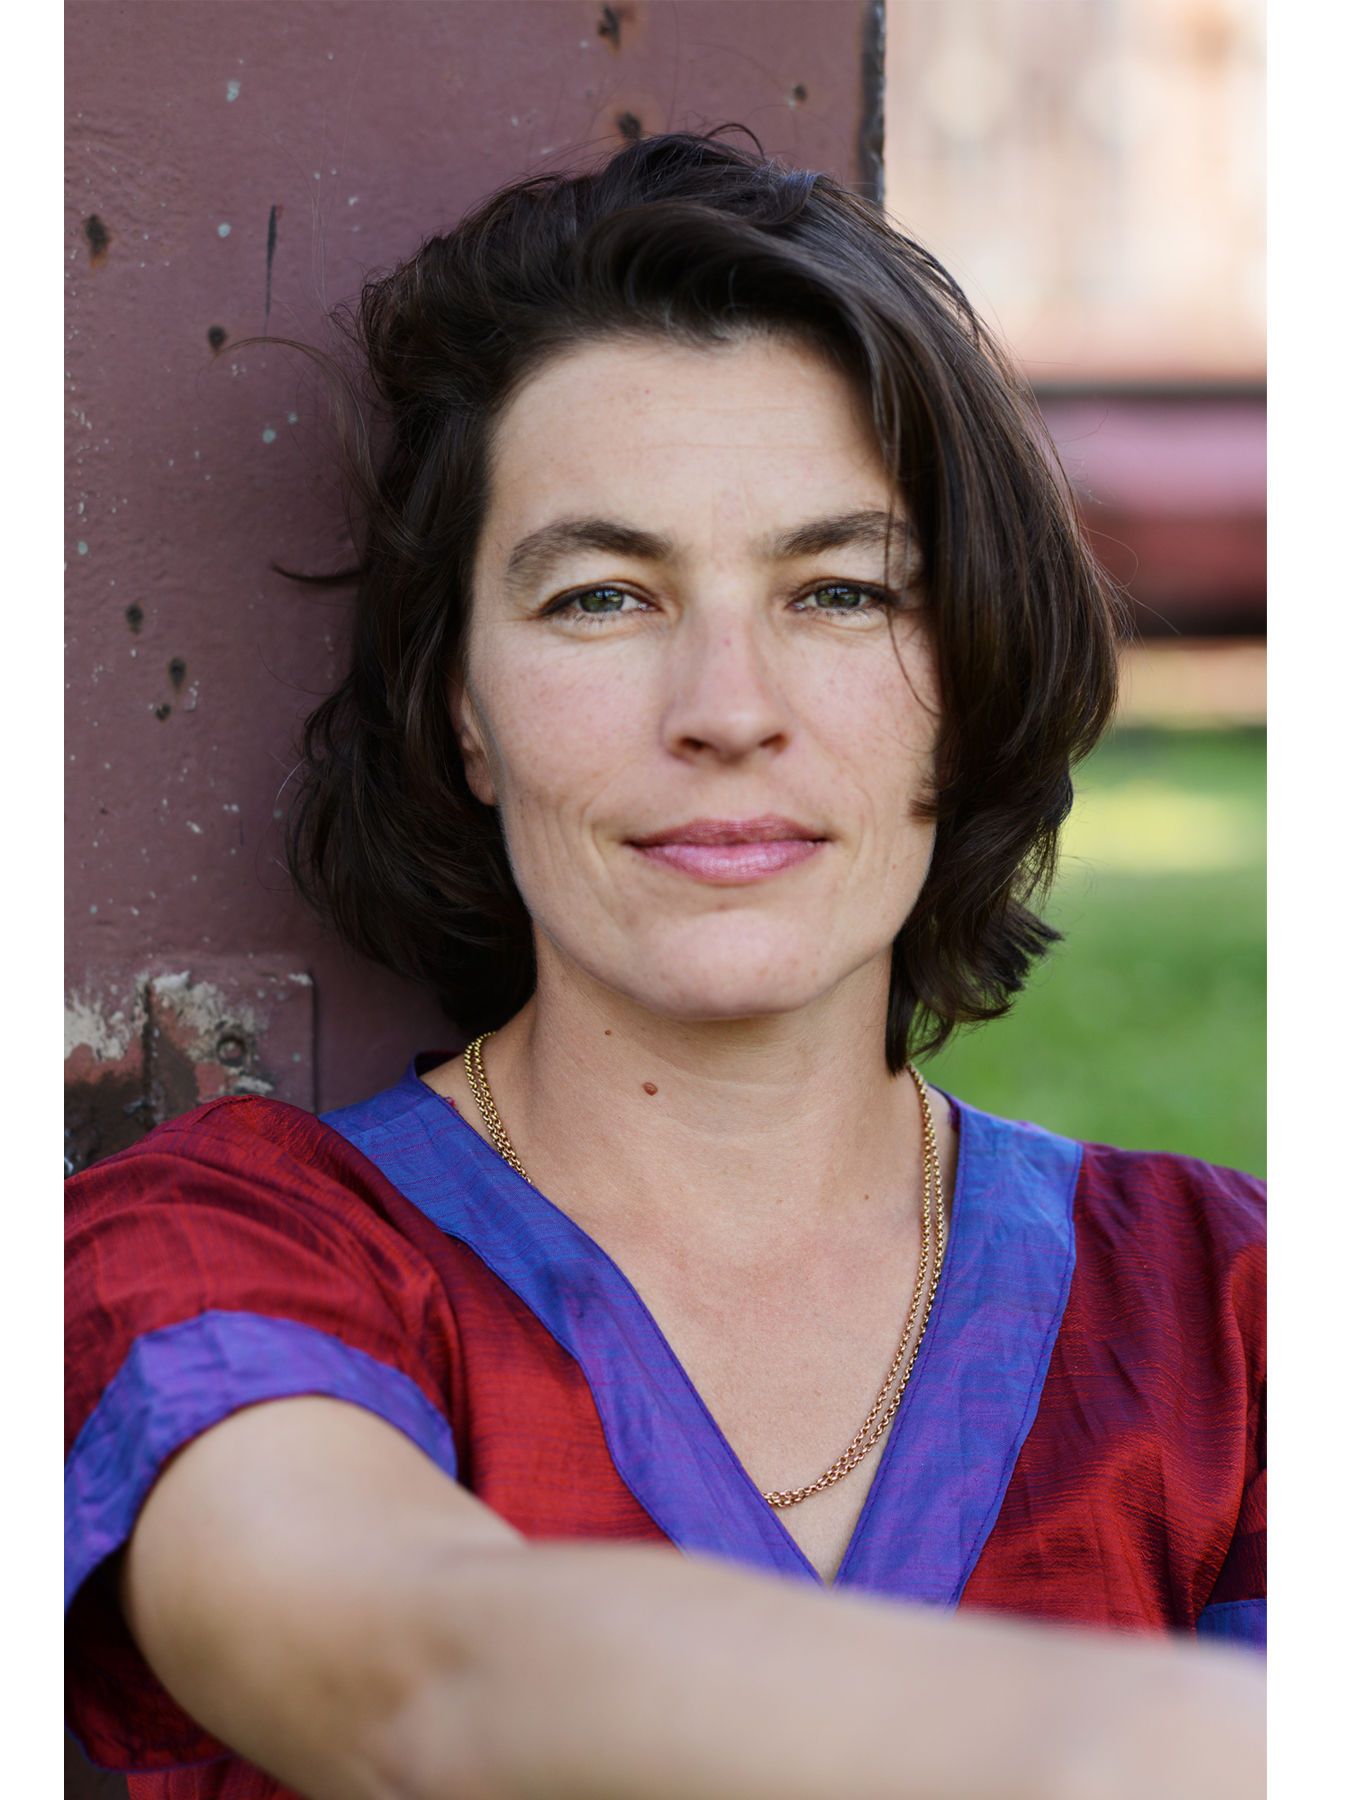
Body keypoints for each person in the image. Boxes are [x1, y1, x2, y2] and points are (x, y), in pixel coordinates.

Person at [65, 131, 1265, 1800]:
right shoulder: (218, 1257)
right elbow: (415, 1679)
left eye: (839, 593)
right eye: (602, 598)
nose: (726, 708)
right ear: (461, 707)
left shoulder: (1235, 1313)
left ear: (968, 678)